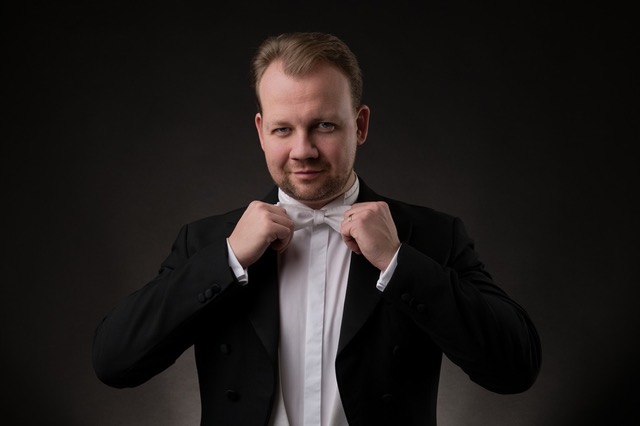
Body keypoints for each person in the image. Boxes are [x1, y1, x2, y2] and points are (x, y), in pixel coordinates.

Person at [92, 31, 541, 426]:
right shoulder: (207, 243)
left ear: (360, 125)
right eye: (283, 129)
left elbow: (516, 368)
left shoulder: (431, 237)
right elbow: (114, 362)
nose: (302, 150)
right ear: (261, 131)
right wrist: (226, 261)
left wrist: (398, 261)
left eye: (323, 125)